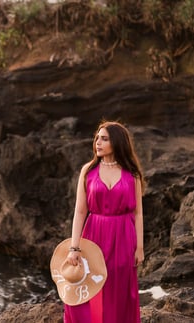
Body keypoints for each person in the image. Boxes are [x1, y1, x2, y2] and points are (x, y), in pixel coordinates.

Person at [64, 121, 144, 323]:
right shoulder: (87, 171)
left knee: (119, 288)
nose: (97, 142)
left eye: (104, 138)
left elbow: (138, 213)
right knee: (89, 285)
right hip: (94, 234)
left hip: (124, 236)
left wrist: (140, 247)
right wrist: (74, 247)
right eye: (97, 138)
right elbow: (80, 212)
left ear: (117, 142)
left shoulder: (132, 174)